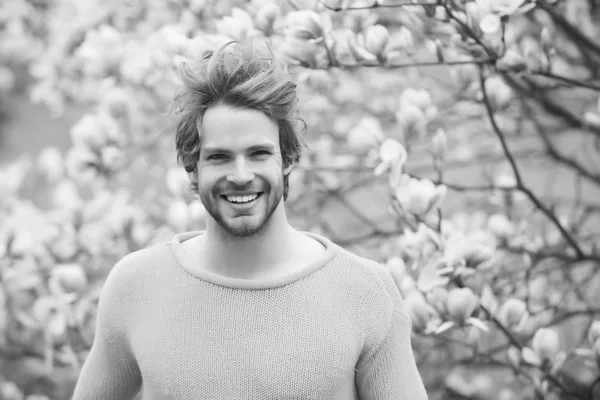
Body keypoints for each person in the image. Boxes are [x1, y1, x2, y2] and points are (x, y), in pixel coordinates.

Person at [71, 40, 428, 400]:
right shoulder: (134, 287)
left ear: (287, 158)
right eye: (219, 157)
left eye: (259, 153)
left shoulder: (365, 292)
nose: (241, 175)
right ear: (192, 169)